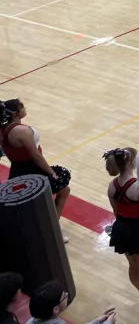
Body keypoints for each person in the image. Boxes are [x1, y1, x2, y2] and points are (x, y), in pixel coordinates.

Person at [0, 99, 71, 239]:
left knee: (38, 203)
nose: (25, 108)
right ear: (16, 113)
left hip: (17, 169)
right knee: (53, 197)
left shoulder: (2, 130)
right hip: (33, 169)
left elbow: (8, 152)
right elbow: (36, 156)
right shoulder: (22, 131)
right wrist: (51, 173)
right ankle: (52, 232)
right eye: (22, 107)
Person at [104, 147, 139, 308]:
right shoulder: (137, 186)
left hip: (122, 228)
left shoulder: (112, 185)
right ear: (130, 163)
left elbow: (115, 211)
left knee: (134, 266)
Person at [26, 281, 114, 324]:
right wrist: (109, 322)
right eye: (64, 296)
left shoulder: (30, 321)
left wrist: (98, 321)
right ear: (56, 309)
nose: (67, 294)